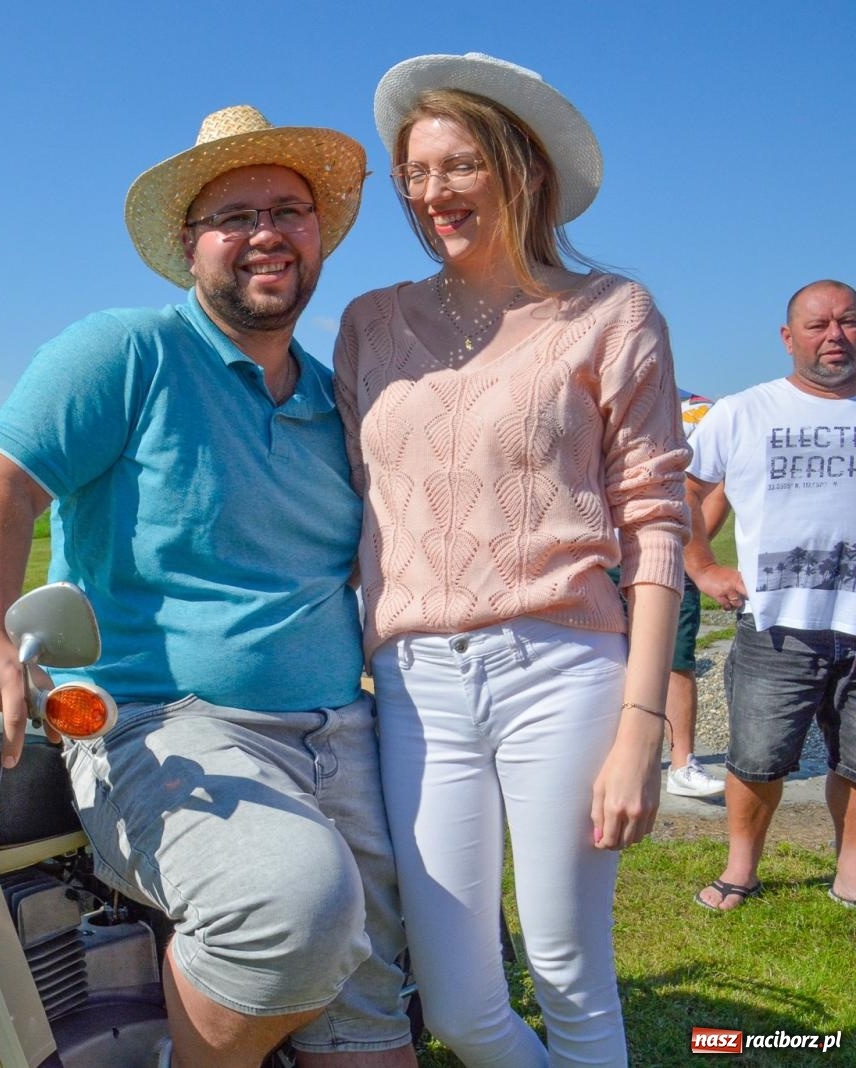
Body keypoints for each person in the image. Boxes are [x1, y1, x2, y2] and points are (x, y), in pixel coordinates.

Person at [0, 106, 413, 1066]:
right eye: (235, 215)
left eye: (289, 209)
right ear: (190, 244)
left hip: (343, 729)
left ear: (319, 236)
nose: (266, 233)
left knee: (375, 1028)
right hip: (165, 722)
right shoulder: (127, 351)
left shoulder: (340, 401)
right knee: (294, 907)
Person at [335, 54, 689, 1065]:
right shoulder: (370, 324)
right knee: (452, 1006)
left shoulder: (611, 314)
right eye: (415, 172)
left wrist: (640, 730)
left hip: (561, 672)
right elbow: (353, 503)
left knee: (570, 976)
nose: (433, 193)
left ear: (521, 170)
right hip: (413, 686)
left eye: (459, 166)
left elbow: (655, 523)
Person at [686, 279, 856, 912]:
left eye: (848, 321)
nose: (834, 336)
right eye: (817, 325)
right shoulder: (743, 411)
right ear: (789, 339)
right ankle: (740, 871)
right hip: (776, 624)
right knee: (756, 759)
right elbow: (684, 491)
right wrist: (701, 565)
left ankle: (850, 871)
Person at [613, 390, 728, 798]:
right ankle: (606, 757)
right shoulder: (593, 393)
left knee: (676, 656)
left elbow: (715, 486)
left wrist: (691, 547)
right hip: (600, 551)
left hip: (666, 553)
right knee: (598, 656)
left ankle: (682, 763)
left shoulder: (700, 410)